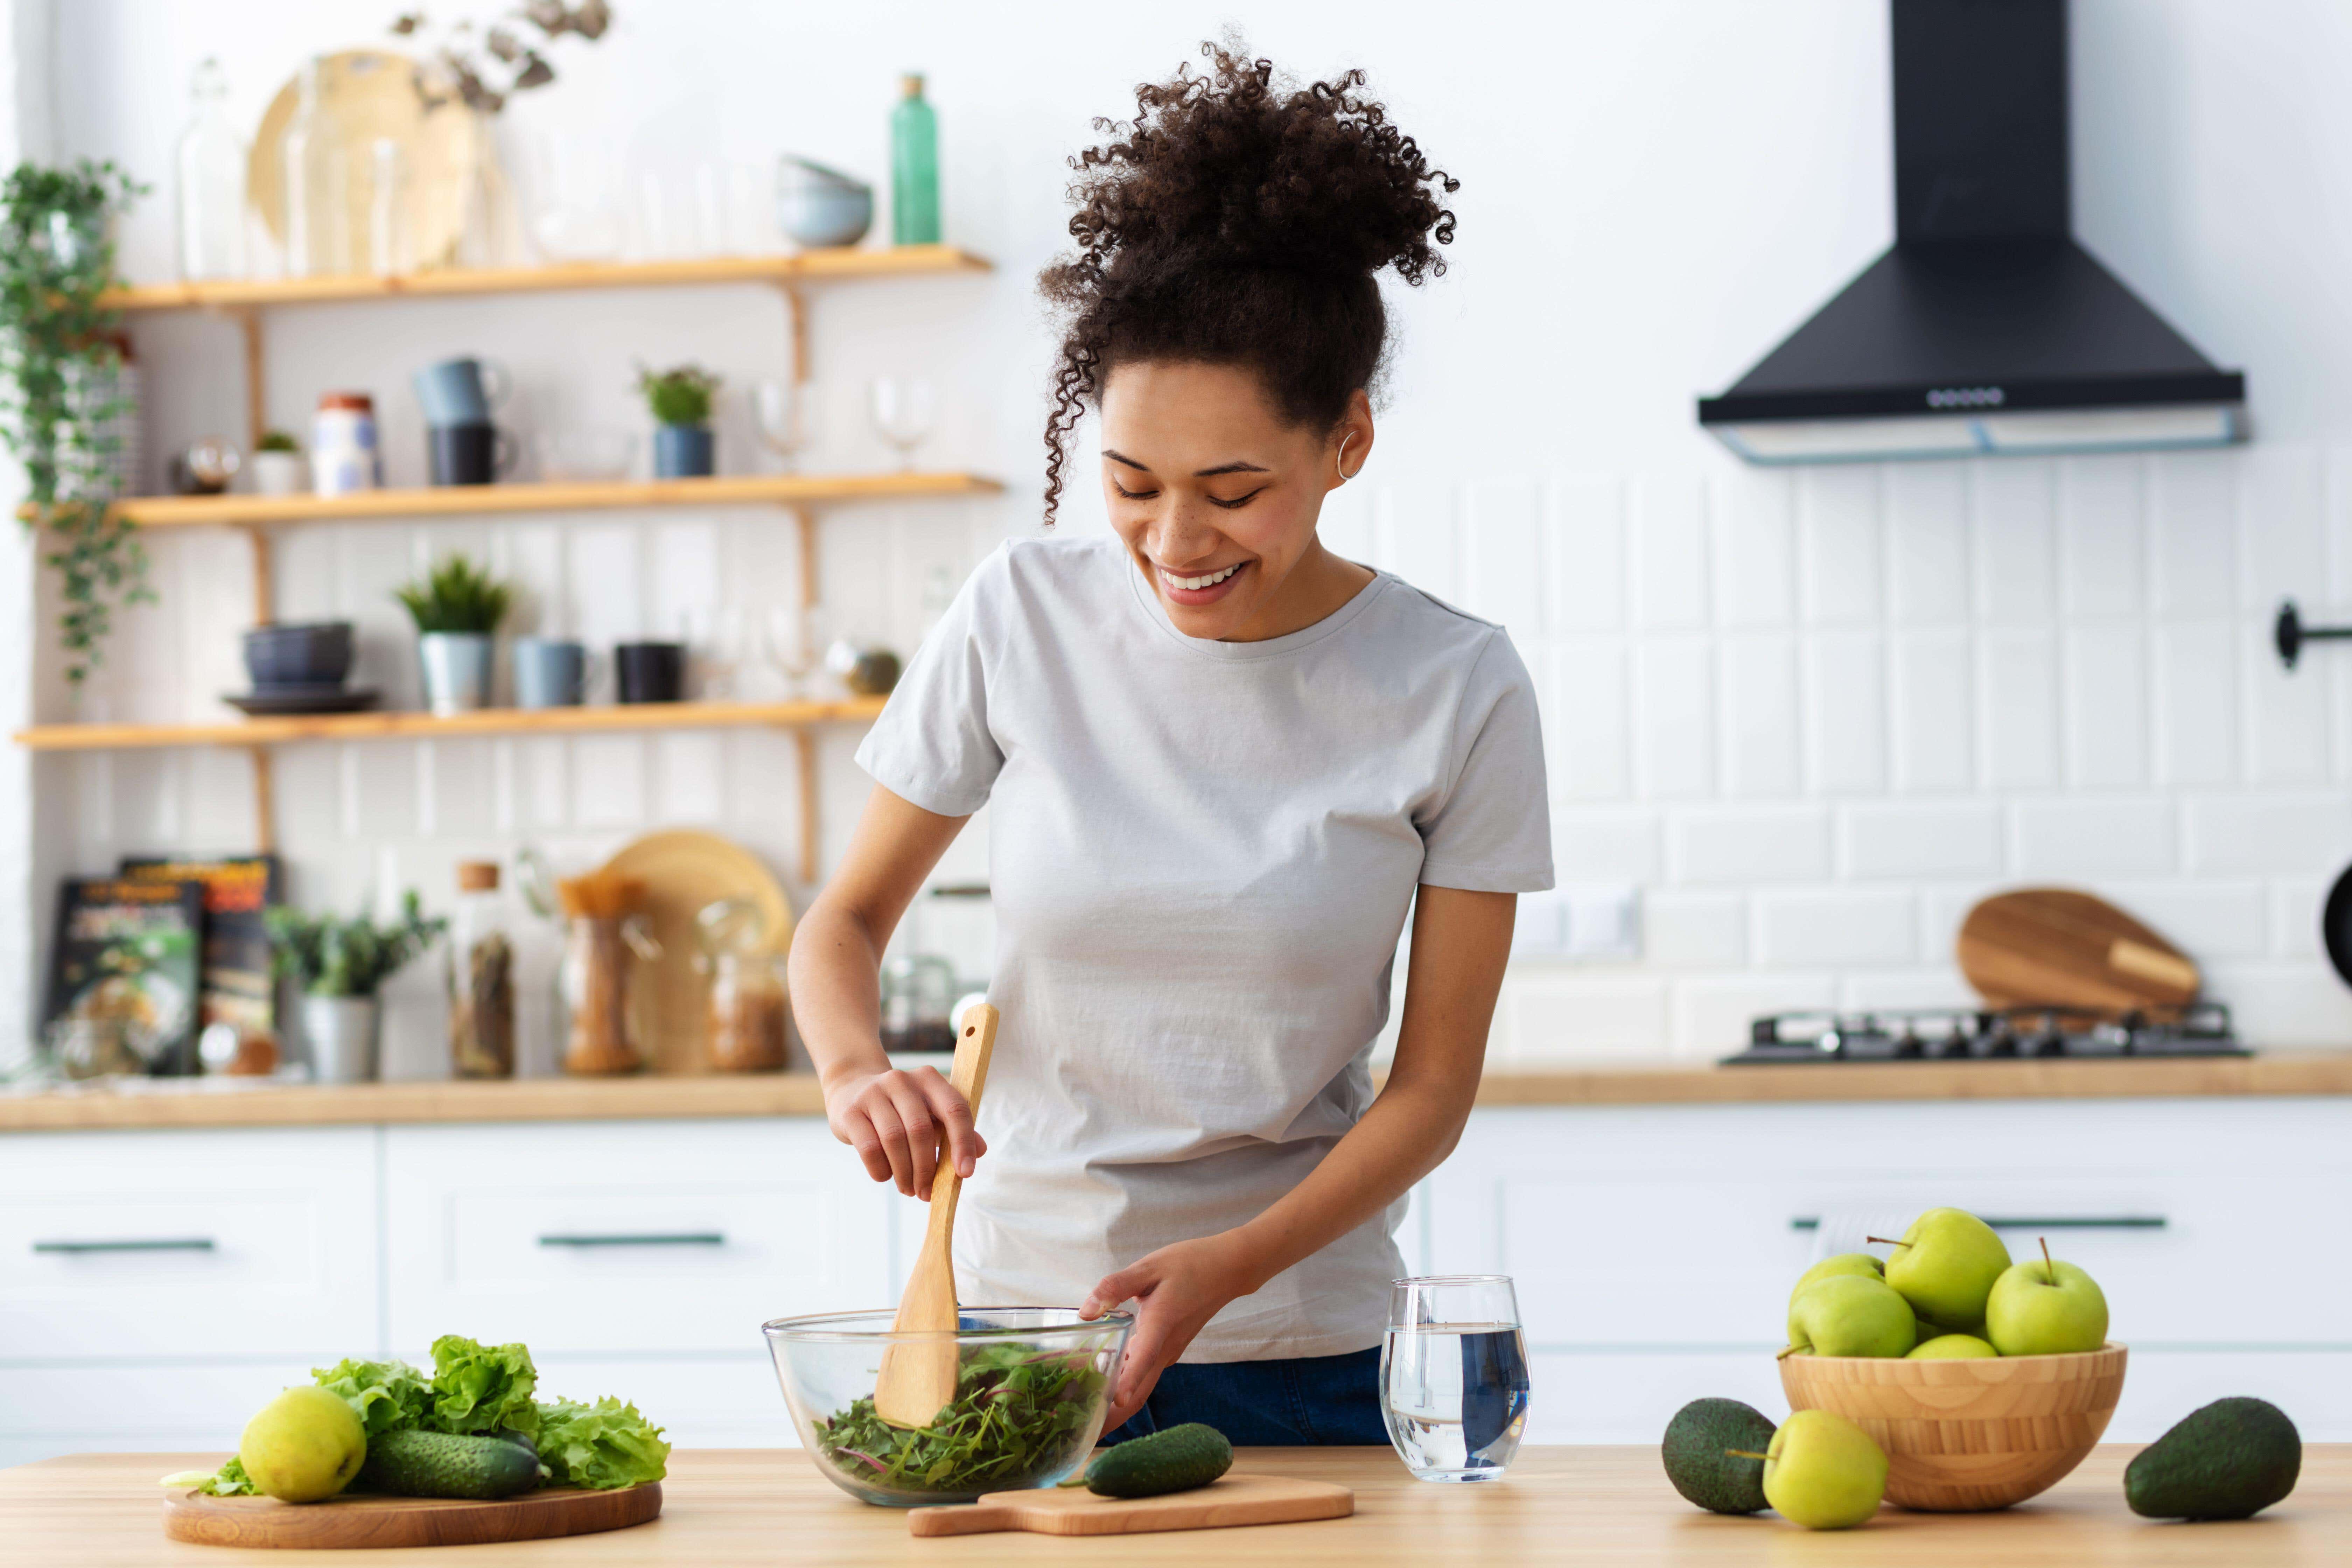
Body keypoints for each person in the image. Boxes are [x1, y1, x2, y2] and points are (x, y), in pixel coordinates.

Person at [789, 44, 1552, 1446]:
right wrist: (854, 1072)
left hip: (1308, 1344)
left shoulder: (1458, 685)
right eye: (1132, 485)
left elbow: (1433, 1091)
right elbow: (840, 923)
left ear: (1349, 444)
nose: (1176, 542)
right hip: (1023, 1332)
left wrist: (1231, 1268)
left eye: (1235, 490)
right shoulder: (1024, 613)